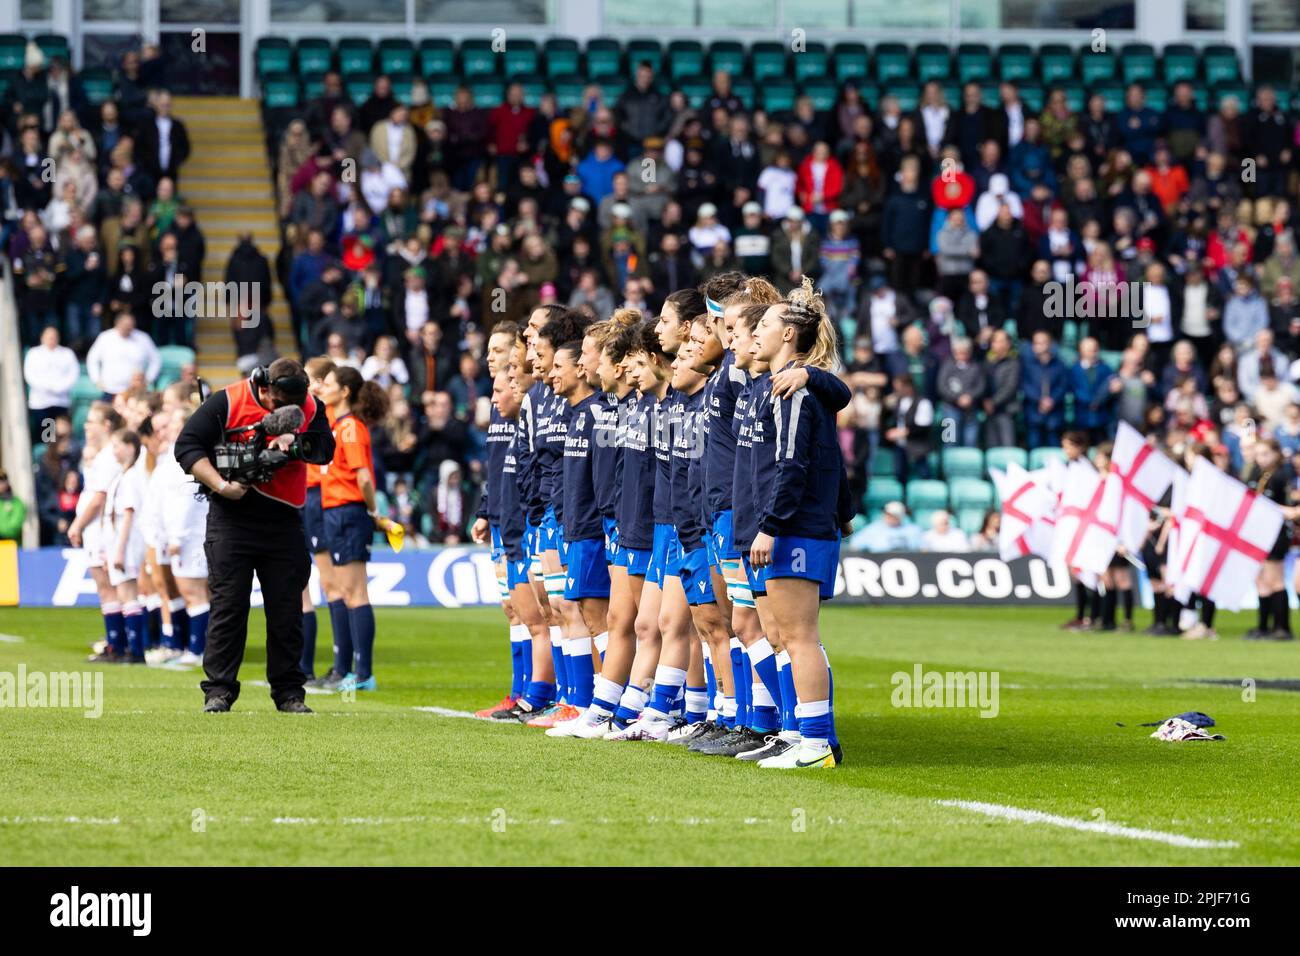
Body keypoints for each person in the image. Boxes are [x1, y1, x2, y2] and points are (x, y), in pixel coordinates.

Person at [172, 358, 336, 712]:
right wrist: (220, 483)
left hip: (283, 519)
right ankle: (219, 691)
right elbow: (186, 447)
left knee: (287, 611)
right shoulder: (226, 401)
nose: (288, 410)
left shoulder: (310, 407)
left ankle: (289, 693)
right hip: (232, 515)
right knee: (229, 608)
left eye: (295, 405)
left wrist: (293, 443)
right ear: (263, 386)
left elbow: (325, 449)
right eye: (280, 404)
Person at [747, 280, 849, 768]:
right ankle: (806, 736)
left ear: (788, 333)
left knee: (799, 635)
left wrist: (770, 526)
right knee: (790, 636)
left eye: (764, 325)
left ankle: (816, 742)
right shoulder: (794, 383)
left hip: (797, 528)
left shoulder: (795, 388)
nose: (756, 332)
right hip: (805, 525)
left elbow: (792, 466)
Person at [316, 366, 395, 692]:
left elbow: (363, 476)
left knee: (355, 592)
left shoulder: (349, 428)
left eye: (329, 384)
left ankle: (363, 674)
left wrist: (374, 512)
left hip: (349, 511)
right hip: (336, 511)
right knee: (345, 591)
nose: (323, 388)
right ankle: (352, 671)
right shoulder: (338, 426)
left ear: (344, 391)